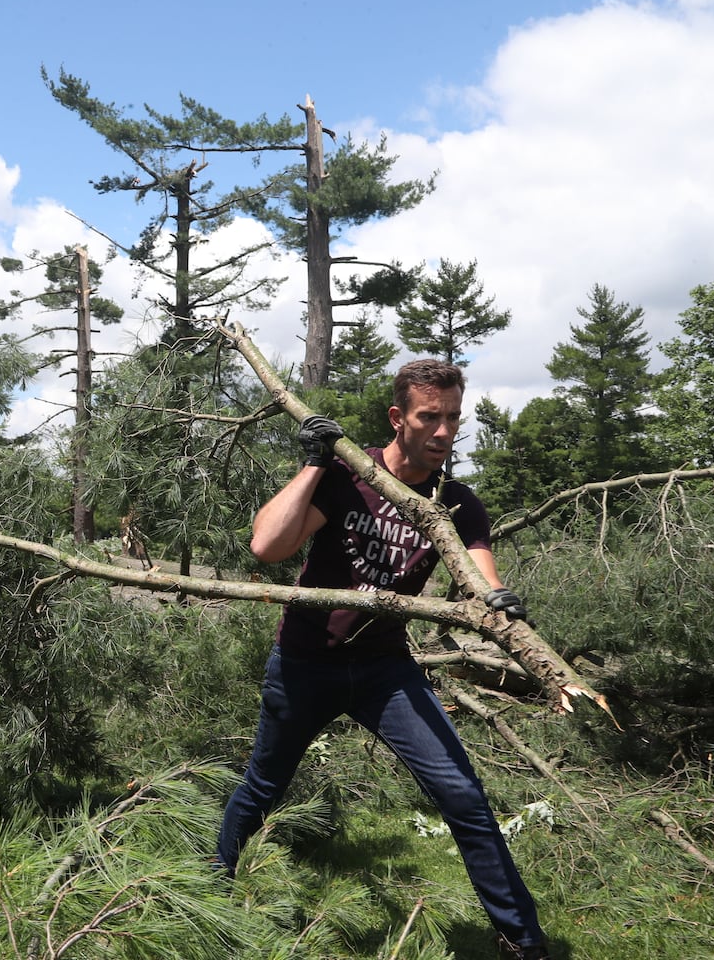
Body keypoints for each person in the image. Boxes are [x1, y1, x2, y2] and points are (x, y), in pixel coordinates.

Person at [215, 359, 552, 960]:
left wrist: (498, 603)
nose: (444, 431)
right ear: (399, 419)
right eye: (430, 417)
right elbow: (268, 547)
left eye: (452, 417)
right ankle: (211, 888)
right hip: (305, 661)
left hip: (385, 672)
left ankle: (522, 940)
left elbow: (480, 581)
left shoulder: (459, 504)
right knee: (264, 784)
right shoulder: (352, 475)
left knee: (463, 797)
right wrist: (317, 462)